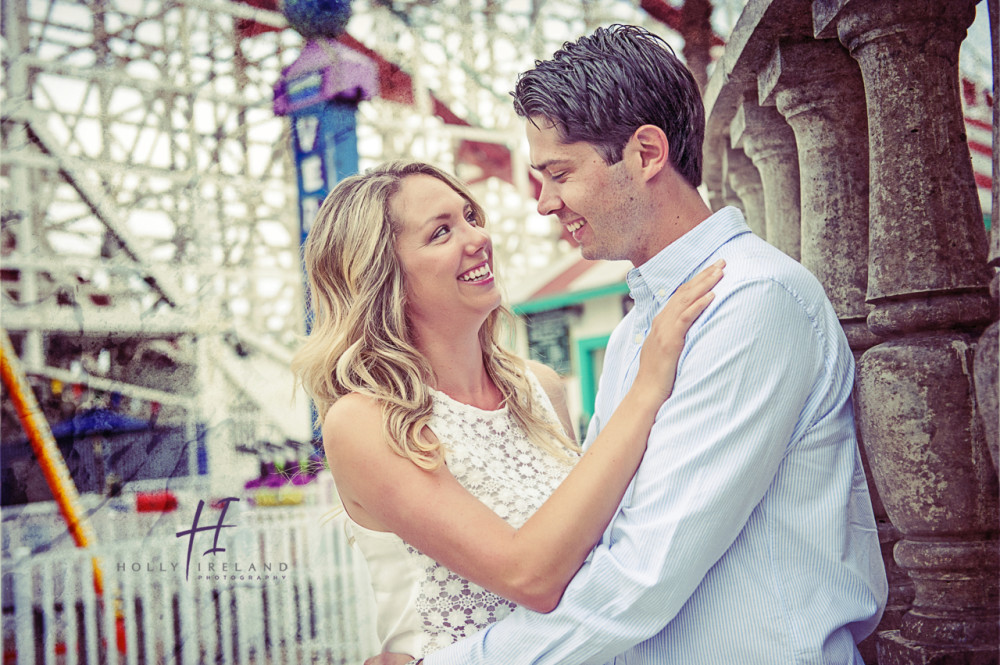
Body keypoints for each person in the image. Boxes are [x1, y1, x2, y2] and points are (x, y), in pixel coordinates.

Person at [376, 23, 888, 665]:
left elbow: (645, 573)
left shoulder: (753, 303)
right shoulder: (633, 335)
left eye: (559, 173)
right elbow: (598, 538)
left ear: (647, 153)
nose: (543, 203)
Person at [291, 160, 723, 662]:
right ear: (383, 276)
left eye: (471, 216)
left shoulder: (538, 389)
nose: (477, 238)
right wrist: (648, 388)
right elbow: (529, 575)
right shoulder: (368, 421)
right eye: (441, 232)